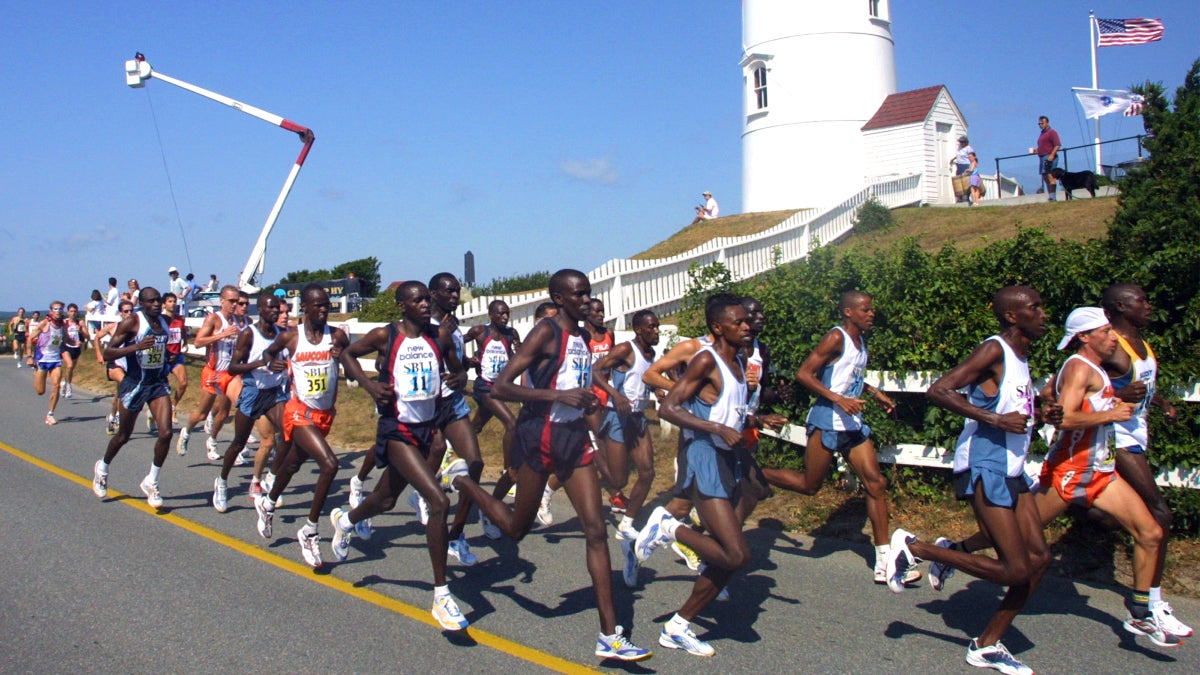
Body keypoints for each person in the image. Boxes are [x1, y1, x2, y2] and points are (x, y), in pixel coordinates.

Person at [449, 269, 653, 660]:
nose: (586, 300)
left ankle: (610, 635)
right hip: (538, 434)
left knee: (595, 530)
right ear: (559, 298)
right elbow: (501, 386)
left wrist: (586, 401)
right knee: (514, 529)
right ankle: (464, 483)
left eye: (588, 293)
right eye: (578, 295)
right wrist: (560, 395)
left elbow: (576, 387)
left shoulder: (580, 337)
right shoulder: (547, 331)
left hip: (573, 438)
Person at [884, 286, 1059, 675]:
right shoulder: (994, 349)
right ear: (1012, 316)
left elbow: (1010, 408)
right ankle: (918, 549)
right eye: (1035, 307)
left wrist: (1044, 417)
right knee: (1016, 570)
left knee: (1040, 560)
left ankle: (986, 646)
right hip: (986, 464)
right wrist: (996, 420)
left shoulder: (1021, 355)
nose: (1044, 313)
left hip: (1012, 468)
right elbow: (939, 390)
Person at [322, 281, 472, 628]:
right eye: (416, 300)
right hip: (395, 431)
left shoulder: (440, 336)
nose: (423, 304)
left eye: (425, 299)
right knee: (438, 502)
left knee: (385, 500)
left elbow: (459, 368)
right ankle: (441, 596)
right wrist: (370, 385)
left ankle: (345, 521)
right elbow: (347, 354)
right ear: (402, 306)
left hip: (425, 430)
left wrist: (459, 377)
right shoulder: (384, 335)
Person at [628, 294, 768, 657]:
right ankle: (670, 527)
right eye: (738, 322)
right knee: (736, 555)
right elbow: (670, 408)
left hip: (728, 456)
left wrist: (754, 419)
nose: (747, 326)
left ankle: (678, 626)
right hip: (705, 454)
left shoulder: (738, 359)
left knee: (727, 555)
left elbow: (728, 409)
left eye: (747, 321)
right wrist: (715, 428)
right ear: (718, 327)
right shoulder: (706, 358)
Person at [759, 291, 915, 586]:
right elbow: (804, 374)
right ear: (848, 312)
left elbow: (849, 375)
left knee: (876, 483)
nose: (871, 314)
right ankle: (753, 473)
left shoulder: (860, 341)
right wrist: (838, 399)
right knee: (810, 486)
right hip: (827, 420)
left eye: (872, 310)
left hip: (852, 423)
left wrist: (873, 392)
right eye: (865, 310)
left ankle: (884, 561)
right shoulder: (836, 338)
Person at [1098, 284, 1191, 638]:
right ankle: (1150, 604)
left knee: (1101, 514)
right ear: (1121, 307)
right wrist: (1119, 395)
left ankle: (958, 548)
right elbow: (1081, 387)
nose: (1149, 306)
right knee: (1159, 514)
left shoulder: (1141, 345)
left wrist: (1161, 402)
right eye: (1142, 301)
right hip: (1116, 438)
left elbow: (1143, 384)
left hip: (1136, 435)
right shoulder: (1111, 346)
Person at [91, 287, 175, 509]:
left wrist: (169, 358)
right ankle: (103, 468)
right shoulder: (133, 322)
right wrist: (136, 347)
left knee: (166, 432)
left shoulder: (166, 322)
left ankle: (152, 481)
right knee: (124, 435)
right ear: (142, 304)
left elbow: (162, 349)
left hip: (156, 383)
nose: (157, 304)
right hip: (135, 384)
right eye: (151, 301)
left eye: (159, 300)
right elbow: (109, 352)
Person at [212, 295, 290, 514]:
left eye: (279, 308)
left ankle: (270, 479)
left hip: (274, 393)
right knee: (239, 442)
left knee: (288, 434)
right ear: (261, 310)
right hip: (252, 392)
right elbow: (234, 368)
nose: (276, 311)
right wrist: (261, 363)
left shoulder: (282, 335)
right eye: (271, 308)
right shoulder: (249, 334)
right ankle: (222, 481)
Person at [592, 309, 660, 540]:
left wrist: (656, 390)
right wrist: (615, 394)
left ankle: (627, 523)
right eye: (651, 327)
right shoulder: (625, 349)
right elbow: (595, 371)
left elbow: (641, 381)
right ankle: (589, 459)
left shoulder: (650, 353)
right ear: (639, 329)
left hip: (638, 418)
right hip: (617, 416)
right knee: (619, 480)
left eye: (657, 326)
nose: (656, 331)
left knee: (647, 472)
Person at [469, 299, 523, 538]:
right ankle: (507, 469)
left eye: (507, 313)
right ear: (490, 314)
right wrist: (466, 360)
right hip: (484, 387)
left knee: (477, 426)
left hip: (500, 388)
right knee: (511, 423)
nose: (504, 317)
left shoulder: (511, 333)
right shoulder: (480, 331)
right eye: (500, 313)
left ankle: (453, 445)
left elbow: (519, 353)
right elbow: (452, 345)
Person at [178, 286, 245, 458]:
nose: (234, 304)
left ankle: (217, 442)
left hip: (230, 374)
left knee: (238, 408)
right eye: (231, 301)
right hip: (213, 372)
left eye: (236, 301)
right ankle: (186, 432)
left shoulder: (238, 321)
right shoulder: (214, 319)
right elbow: (199, 342)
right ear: (222, 300)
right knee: (201, 414)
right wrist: (221, 335)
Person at [94, 301, 134, 434]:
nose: (129, 314)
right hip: (115, 364)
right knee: (124, 384)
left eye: (130, 311)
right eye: (126, 311)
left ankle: (112, 416)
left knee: (119, 394)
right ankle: (118, 417)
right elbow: (97, 337)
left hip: (129, 364)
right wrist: (99, 354)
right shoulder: (113, 327)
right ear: (120, 313)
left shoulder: (136, 328)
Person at [28, 301, 68, 425]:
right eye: (56, 309)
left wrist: (76, 343)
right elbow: (30, 338)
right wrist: (29, 356)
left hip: (55, 359)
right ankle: (36, 371)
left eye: (61, 309)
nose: (58, 311)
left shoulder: (62, 325)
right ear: (51, 310)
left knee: (56, 386)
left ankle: (50, 414)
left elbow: (65, 339)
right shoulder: (45, 323)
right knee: (40, 391)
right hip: (42, 359)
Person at [162, 292, 189, 427]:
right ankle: (154, 412)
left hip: (177, 355)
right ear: (164, 304)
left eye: (174, 301)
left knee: (183, 383)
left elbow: (182, 331)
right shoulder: (160, 320)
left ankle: (173, 407)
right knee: (162, 388)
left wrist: (185, 342)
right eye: (170, 301)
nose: (173, 303)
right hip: (163, 357)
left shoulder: (179, 319)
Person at [59, 303, 89, 400]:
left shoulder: (80, 323)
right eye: (71, 311)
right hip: (65, 346)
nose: (73, 313)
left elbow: (87, 336)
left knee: (71, 369)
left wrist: (81, 331)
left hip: (76, 348)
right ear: (68, 312)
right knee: (69, 365)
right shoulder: (64, 322)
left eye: (75, 311)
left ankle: (65, 382)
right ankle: (68, 387)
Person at [1036, 116, 1061, 202]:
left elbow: (1057, 145)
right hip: (1042, 156)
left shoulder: (1052, 132)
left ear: (1047, 123)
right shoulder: (1042, 134)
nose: (1040, 125)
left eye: (1042, 123)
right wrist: (1036, 150)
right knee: (1045, 176)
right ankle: (1050, 196)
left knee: (1050, 176)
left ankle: (1053, 197)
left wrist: (1052, 155)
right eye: (1039, 123)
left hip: (1049, 157)